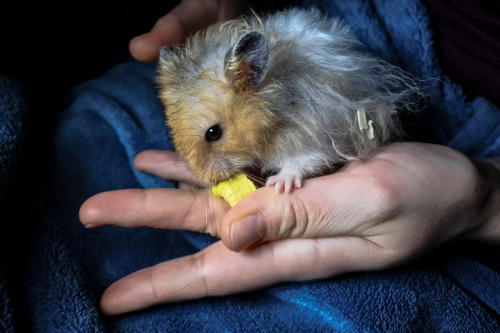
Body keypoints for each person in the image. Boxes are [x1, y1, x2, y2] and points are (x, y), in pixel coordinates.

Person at [77, 0, 500, 316]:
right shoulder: (227, 99)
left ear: (250, 76)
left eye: (213, 135)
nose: (202, 167)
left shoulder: (304, 108)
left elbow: (327, 136)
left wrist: (485, 200)